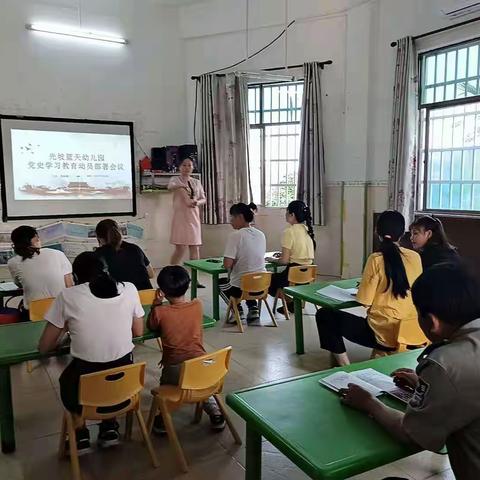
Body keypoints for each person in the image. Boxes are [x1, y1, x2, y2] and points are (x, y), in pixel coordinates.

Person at [339, 263, 480, 480]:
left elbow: (411, 434)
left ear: (431, 321)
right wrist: (428, 386)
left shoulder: (445, 364)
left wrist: (369, 403)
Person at [38, 252, 144, 453]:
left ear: (76, 277)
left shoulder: (68, 296)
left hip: (86, 375)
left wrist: (67, 335)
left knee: (68, 381)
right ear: (106, 271)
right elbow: (138, 332)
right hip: (126, 378)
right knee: (110, 372)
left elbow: (44, 346)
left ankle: (79, 432)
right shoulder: (129, 288)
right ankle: (109, 426)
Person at [316, 210, 422, 366]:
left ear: (376, 232)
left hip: (384, 334)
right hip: (412, 330)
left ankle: (345, 366)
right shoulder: (415, 257)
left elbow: (364, 301)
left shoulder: (376, 259)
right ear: (402, 233)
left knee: (325, 315)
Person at [146, 265, 225, 434]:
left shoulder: (160, 311)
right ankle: (215, 412)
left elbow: (152, 325)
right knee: (197, 381)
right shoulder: (197, 305)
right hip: (205, 366)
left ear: (162, 290)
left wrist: (156, 304)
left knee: (168, 386)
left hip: (175, 369)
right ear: (188, 286)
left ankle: (163, 417)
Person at [8, 226, 73, 321]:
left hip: (35, 315)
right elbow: (69, 285)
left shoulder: (13, 262)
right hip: (61, 311)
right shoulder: (57, 254)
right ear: (35, 238)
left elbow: (18, 283)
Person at [219, 203, 266, 324]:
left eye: (232, 218)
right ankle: (253, 308)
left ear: (240, 217)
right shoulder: (261, 234)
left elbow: (227, 265)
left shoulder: (235, 235)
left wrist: (233, 261)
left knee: (220, 283)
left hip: (241, 287)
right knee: (250, 275)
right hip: (262, 285)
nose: (230, 221)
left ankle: (237, 310)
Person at [267, 200, 315, 315]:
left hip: (293, 272)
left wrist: (272, 260)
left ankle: (290, 302)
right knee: (277, 278)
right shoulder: (307, 229)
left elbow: (284, 261)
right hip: (308, 272)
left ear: (292, 214)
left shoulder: (289, 231)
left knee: (268, 281)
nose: (285, 214)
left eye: (287, 212)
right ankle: (294, 303)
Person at [95, 219, 154, 291]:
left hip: (123, 298)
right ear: (119, 232)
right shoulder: (135, 248)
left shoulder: (98, 255)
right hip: (148, 296)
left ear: (99, 238)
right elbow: (151, 274)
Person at [168, 156, 206, 267]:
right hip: (180, 218)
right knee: (180, 248)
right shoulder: (175, 180)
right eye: (184, 165)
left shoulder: (197, 182)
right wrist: (183, 186)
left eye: (189, 165)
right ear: (179, 167)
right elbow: (170, 187)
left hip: (193, 217)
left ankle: (195, 278)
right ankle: (172, 273)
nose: (187, 168)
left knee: (195, 247)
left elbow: (203, 198)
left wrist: (196, 203)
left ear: (193, 167)